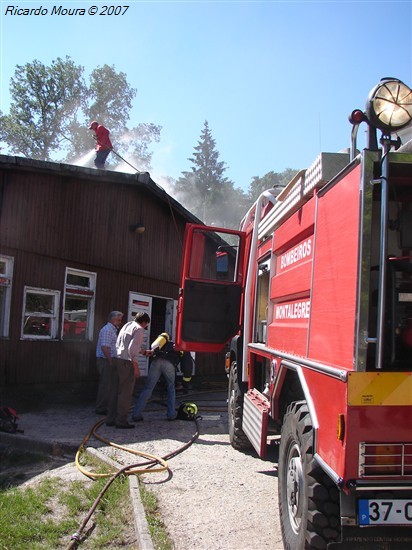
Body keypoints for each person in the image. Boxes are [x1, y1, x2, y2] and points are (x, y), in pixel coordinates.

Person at [106, 312, 152, 429]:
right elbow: (132, 349)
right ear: (144, 322)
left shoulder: (127, 325)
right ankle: (121, 421)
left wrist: (144, 352)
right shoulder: (139, 329)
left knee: (114, 391)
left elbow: (126, 344)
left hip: (117, 360)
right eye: (146, 325)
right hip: (126, 363)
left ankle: (110, 419)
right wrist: (136, 367)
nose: (145, 327)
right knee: (125, 393)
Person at [132, 332, 182, 422]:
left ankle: (136, 414)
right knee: (171, 388)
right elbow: (185, 362)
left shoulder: (161, 343)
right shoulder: (178, 346)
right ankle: (171, 414)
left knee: (148, 388)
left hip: (156, 362)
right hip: (169, 364)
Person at [95, 310, 124, 415]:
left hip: (108, 360)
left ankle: (105, 406)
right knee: (105, 385)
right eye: (119, 320)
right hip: (105, 360)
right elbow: (105, 347)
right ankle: (101, 408)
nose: (120, 322)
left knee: (108, 384)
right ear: (113, 319)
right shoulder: (107, 330)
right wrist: (111, 361)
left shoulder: (112, 330)